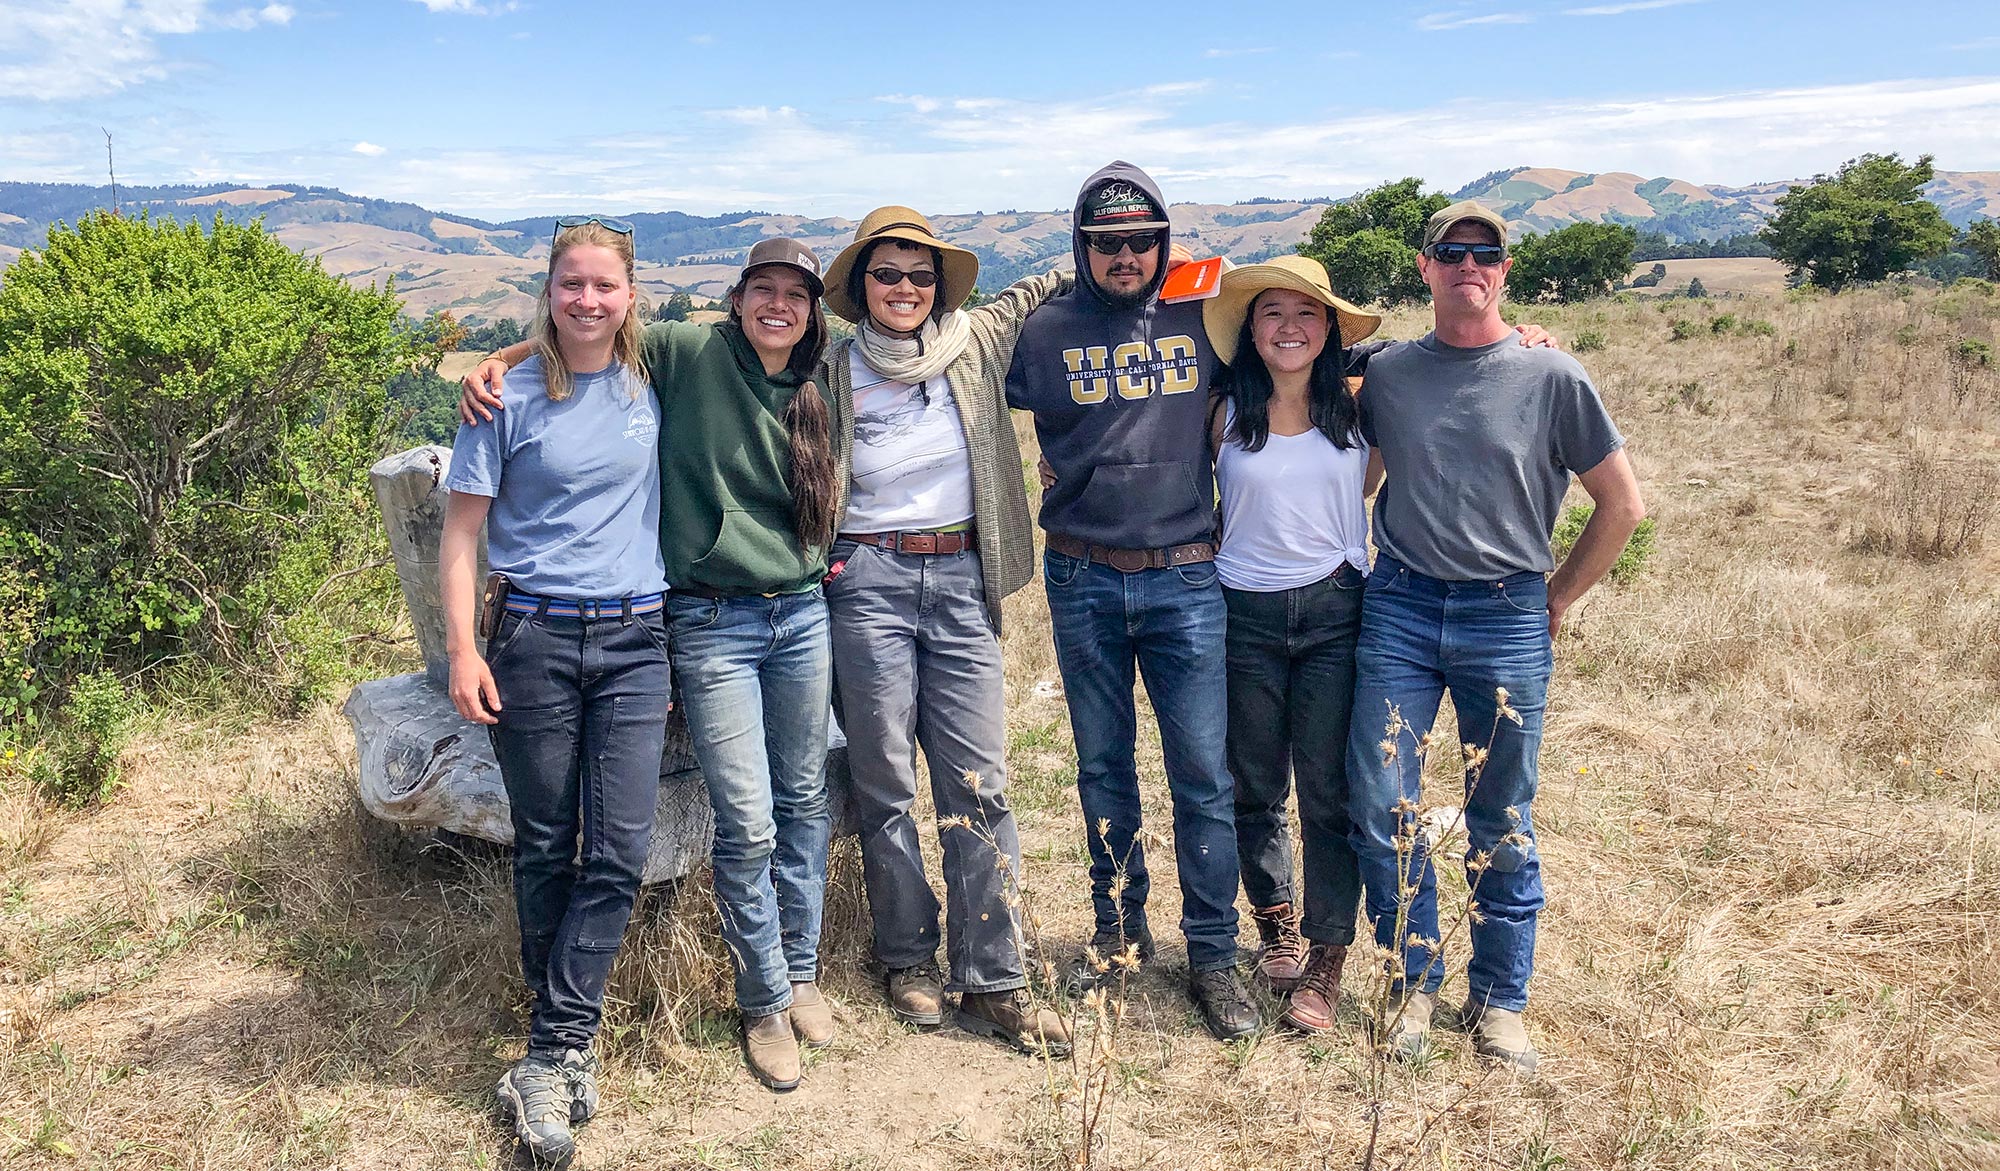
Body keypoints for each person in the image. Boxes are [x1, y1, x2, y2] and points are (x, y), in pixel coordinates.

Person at [460, 238, 839, 1094]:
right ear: (735, 298)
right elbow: (582, 332)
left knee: (805, 795)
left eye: (797, 295)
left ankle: (804, 968)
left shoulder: (825, 372)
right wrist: (496, 358)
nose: (779, 307)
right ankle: (765, 998)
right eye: (763, 290)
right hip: (703, 616)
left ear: (814, 311)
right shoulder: (686, 348)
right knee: (744, 817)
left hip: (800, 610)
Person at [1345, 201, 1645, 1074]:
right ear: (1424, 265)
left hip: (1506, 611)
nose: (1468, 264)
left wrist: (1557, 596)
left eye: (1486, 253)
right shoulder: (1391, 373)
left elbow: (1622, 505)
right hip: (1398, 606)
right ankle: (1413, 981)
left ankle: (1501, 1001)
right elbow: (1346, 467)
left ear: (1505, 269)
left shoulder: (1555, 378)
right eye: (1451, 252)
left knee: (1501, 814)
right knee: (1381, 800)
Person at [1003, 160, 1259, 1040]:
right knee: (1103, 769)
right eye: (1106, 242)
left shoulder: (1207, 314)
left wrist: (1513, 336)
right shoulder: (1040, 331)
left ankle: (1216, 955)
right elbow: (943, 373)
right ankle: (1118, 936)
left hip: (1186, 575)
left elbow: (1313, 344)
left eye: (1141, 241)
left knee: (1204, 776)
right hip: (1081, 575)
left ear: (1164, 241)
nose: (1125, 256)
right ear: (1080, 246)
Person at [439, 217, 669, 1165]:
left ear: (630, 295)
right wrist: (464, 650)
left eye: (603, 286)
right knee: (544, 843)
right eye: (570, 284)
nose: (587, 301)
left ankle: (551, 1044)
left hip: (637, 635)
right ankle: (562, 1039)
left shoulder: (660, 379)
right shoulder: (506, 398)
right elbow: (461, 536)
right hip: (532, 633)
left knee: (617, 847)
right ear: (548, 289)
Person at [816, 208, 1072, 1053]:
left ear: (940, 286)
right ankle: (908, 957)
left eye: (920, 276)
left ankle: (994, 976)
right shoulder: (829, 363)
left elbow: (1047, 284)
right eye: (887, 274)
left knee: (980, 781)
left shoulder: (975, 340)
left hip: (962, 577)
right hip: (867, 581)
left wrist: (1168, 276)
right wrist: (525, 352)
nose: (904, 289)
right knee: (885, 777)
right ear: (861, 287)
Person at [1200, 256, 1384, 1036]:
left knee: (1330, 789)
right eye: (1271, 311)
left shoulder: (1363, 406)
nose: (1288, 327)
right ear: (1250, 329)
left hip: (1336, 610)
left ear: (1331, 329)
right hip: (1242, 610)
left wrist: (1534, 338)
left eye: (1307, 313)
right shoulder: (1221, 414)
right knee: (1254, 781)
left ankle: (1328, 953)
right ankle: (1274, 921)